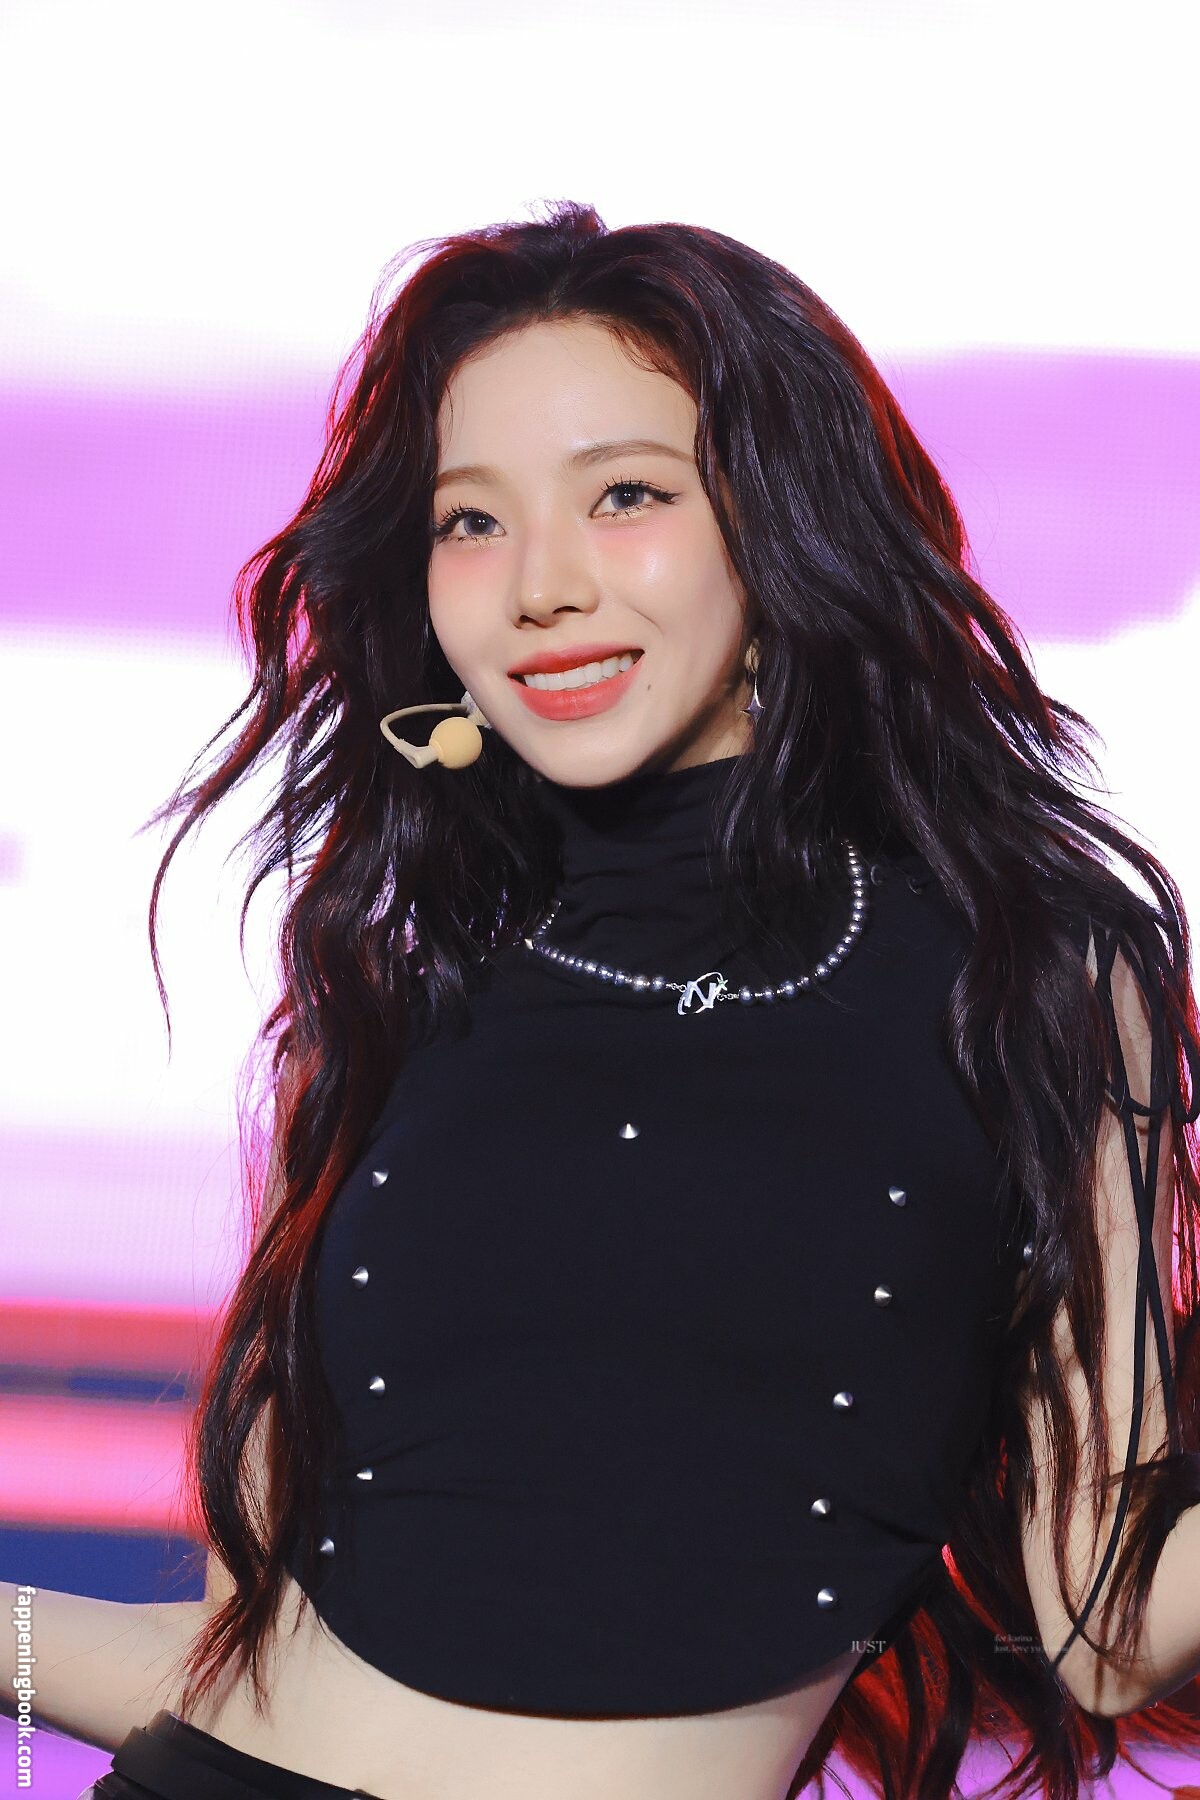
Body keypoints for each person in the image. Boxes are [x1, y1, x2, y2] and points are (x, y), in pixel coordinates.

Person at [27, 200, 1200, 1800]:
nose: (541, 586)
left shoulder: (1030, 974)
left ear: (776, 519)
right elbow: (249, 1658)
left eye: (626, 495)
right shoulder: (394, 996)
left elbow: (1102, 1623)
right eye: (471, 521)